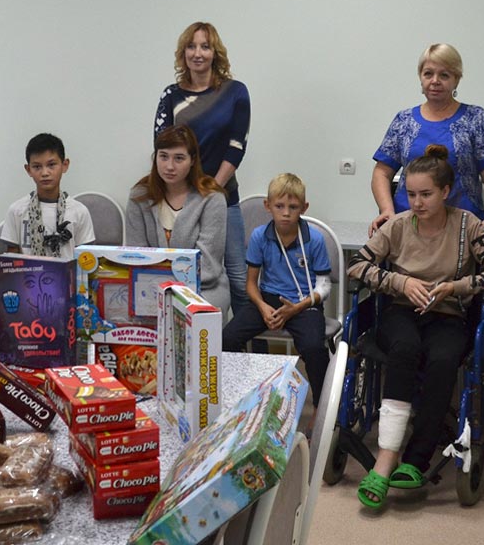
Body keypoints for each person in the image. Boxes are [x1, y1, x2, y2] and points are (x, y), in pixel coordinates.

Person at [348, 145, 484, 508]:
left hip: (448, 314)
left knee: (443, 360)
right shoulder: (398, 225)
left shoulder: (469, 225)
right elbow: (357, 265)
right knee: (405, 349)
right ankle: (386, 459)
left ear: (446, 191)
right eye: (411, 194)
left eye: (426, 194)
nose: (417, 203)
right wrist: (401, 282)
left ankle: (416, 460)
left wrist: (455, 287)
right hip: (401, 311)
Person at [153, 22, 251, 317]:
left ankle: (242, 341)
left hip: (223, 196)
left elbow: (236, 146)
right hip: (180, 201)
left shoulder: (235, 92)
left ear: (215, 52)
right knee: (181, 273)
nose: (198, 53)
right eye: (191, 47)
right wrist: (186, 194)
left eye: (205, 47)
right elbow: (162, 147)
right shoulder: (171, 96)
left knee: (238, 277)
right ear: (183, 53)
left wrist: (212, 192)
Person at [221, 173, 331, 406]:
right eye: (279, 206)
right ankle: (240, 398)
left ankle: (320, 409)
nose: (286, 213)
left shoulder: (314, 239)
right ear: (267, 206)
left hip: (304, 302)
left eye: (293, 207)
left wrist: (297, 308)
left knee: (314, 349)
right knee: (227, 338)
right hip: (268, 299)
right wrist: (262, 307)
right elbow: (251, 284)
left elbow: (324, 285)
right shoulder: (260, 236)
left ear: (304, 208)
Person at [371, 42, 484, 234]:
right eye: (428, 74)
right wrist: (387, 210)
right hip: (408, 226)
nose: (435, 81)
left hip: (464, 227)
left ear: (456, 80)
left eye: (444, 75)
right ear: (420, 77)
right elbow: (381, 172)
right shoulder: (404, 120)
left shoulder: (475, 118)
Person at [125, 125, 229, 314]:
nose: (170, 166)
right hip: (150, 285)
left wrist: (170, 290)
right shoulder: (139, 196)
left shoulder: (212, 198)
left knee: (189, 316)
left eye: (179, 158)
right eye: (163, 156)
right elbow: (136, 254)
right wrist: (157, 286)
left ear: (192, 160)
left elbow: (208, 265)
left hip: (204, 288)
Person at [1, 133, 95, 261]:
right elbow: (11, 263)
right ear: (28, 170)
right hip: (28, 274)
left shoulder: (79, 212)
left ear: (65, 165)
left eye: (51, 165)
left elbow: (86, 261)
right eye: (37, 167)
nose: (45, 173)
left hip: (68, 274)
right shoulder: (17, 210)